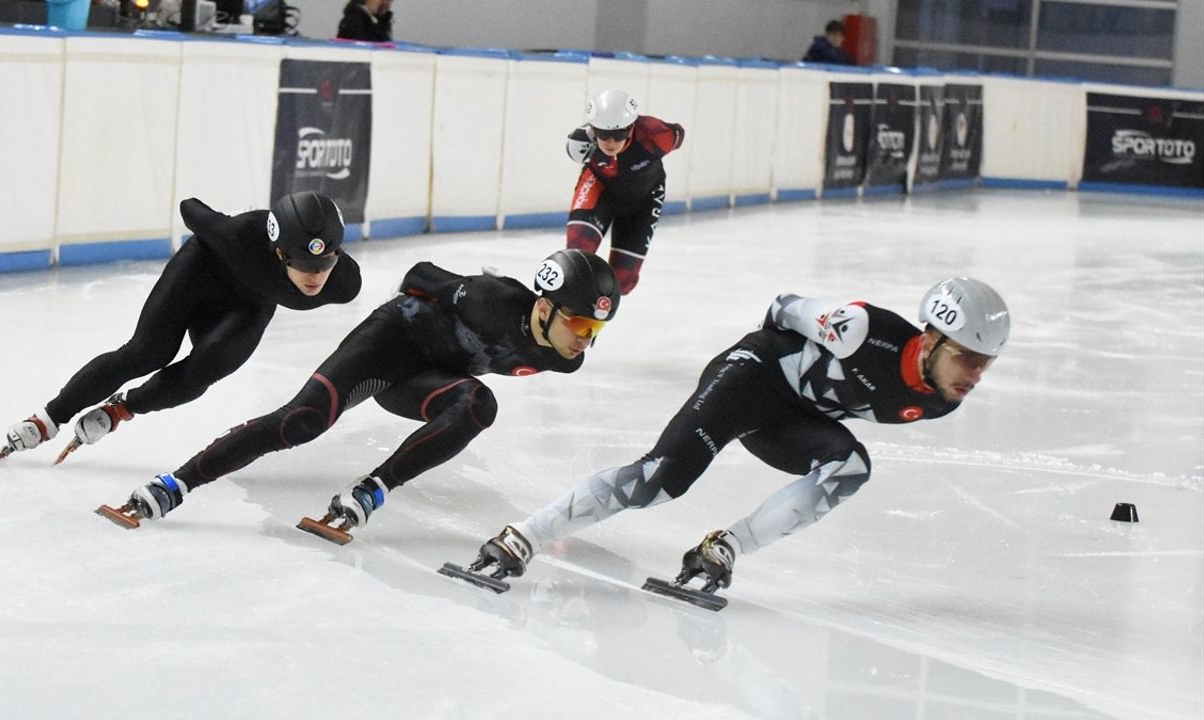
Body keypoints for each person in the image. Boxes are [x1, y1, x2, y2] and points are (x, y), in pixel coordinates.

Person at [463, 277, 1011, 600]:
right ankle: (523, 537)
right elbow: (781, 309)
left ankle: (724, 548)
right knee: (659, 481)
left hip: (788, 419)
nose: (974, 375)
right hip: (752, 377)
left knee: (850, 466)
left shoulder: (942, 399)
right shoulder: (862, 330)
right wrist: (754, 372)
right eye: (966, 356)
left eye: (984, 363)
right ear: (932, 340)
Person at [98, 249, 622, 534]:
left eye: (595, 330)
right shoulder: (490, 299)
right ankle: (175, 484)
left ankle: (372, 490)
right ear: (545, 307)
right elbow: (419, 274)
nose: (585, 341)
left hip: (424, 381)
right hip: (391, 341)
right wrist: (424, 307)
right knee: (301, 421)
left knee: (479, 404)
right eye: (580, 325)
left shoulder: (563, 357)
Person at [0, 192, 362, 466]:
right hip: (200, 273)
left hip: (249, 305)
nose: (316, 276)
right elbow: (190, 208)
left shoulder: (343, 283)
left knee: (203, 371)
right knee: (147, 353)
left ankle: (122, 409)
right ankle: (48, 418)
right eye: (304, 264)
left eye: (326, 262)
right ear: (279, 252)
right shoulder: (238, 235)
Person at [563, 89, 685, 296]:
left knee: (623, 281)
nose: (611, 142)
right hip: (599, 189)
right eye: (603, 133)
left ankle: (593, 312)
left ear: (631, 127)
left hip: (644, 200)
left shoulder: (654, 135)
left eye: (619, 134)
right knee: (577, 257)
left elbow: (679, 133)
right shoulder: (581, 144)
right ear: (593, 129)